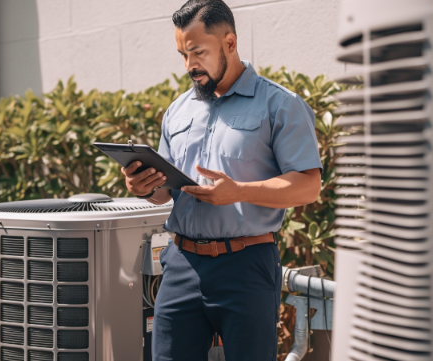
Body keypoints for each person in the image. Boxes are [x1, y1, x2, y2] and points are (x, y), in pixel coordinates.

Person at [121, 0, 322, 359]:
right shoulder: (178, 110)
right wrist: (146, 186)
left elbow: (308, 186)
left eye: (197, 52)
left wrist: (238, 192)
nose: (188, 65)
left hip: (246, 265)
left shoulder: (280, 105)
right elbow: (166, 193)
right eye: (182, 54)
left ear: (229, 42)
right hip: (181, 262)